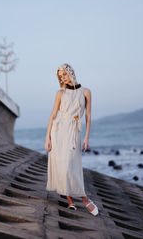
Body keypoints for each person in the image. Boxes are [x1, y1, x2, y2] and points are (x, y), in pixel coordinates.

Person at [45, 63, 98, 216]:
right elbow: (53, 115)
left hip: (74, 131)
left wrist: (87, 137)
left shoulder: (86, 92)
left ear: (71, 72)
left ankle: (83, 198)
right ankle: (72, 200)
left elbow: (88, 116)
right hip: (58, 130)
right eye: (60, 76)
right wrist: (47, 137)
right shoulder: (60, 93)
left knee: (71, 165)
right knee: (62, 166)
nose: (63, 78)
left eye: (65, 74)